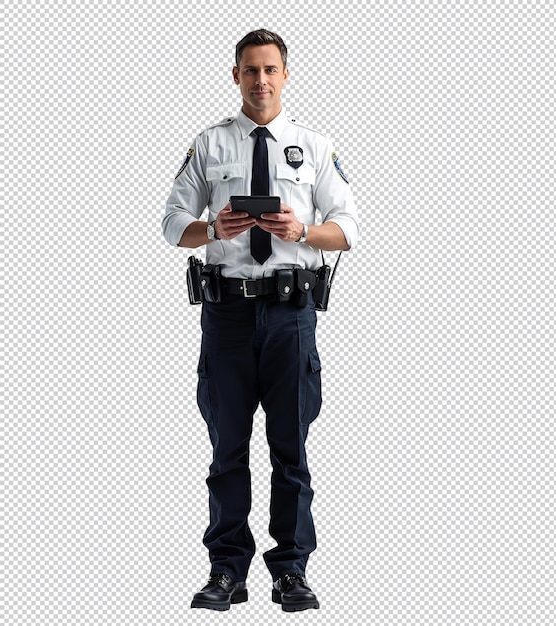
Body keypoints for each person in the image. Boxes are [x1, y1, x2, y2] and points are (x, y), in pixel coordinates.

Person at [162, 29, 360, 612]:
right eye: (250, 70)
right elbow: (173, 223)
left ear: (285, 75)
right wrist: (213, 230)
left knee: (289, 446)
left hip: (290, 315)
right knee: (227, 446)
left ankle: (291, 571)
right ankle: (227, 570)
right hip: (226, 315)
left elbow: (349, 228)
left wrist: (302, 231)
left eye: (270, 69)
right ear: (236, 76)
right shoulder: (210, 144)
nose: (261, 80)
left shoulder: (314, 146)